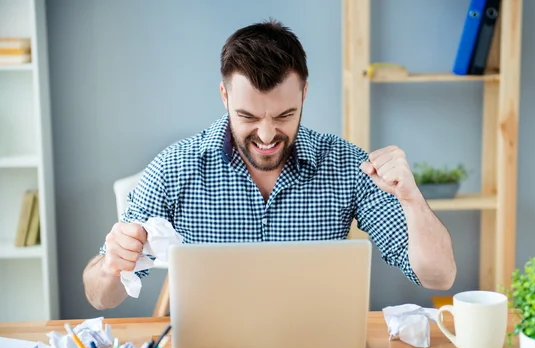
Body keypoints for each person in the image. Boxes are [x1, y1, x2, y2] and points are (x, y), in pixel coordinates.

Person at [83, 19, 457, 310]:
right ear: (224, 96)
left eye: (284, 115)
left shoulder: (345, 165)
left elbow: (439, 277)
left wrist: (412, 200)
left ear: (304, 93)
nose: (266, 136)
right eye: (247, 116)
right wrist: (112, 265)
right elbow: (101, 297)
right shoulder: (176, 167)